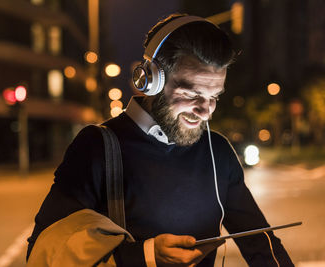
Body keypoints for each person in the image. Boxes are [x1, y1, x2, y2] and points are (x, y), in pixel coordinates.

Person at [27, 14, 294, 266]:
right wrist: (145, 256)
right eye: (191, 94)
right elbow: (43, 249)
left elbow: (261, 243)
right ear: (150, 81)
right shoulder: (96, 147)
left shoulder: (218, 152)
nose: (206, 111)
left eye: (214, 97)